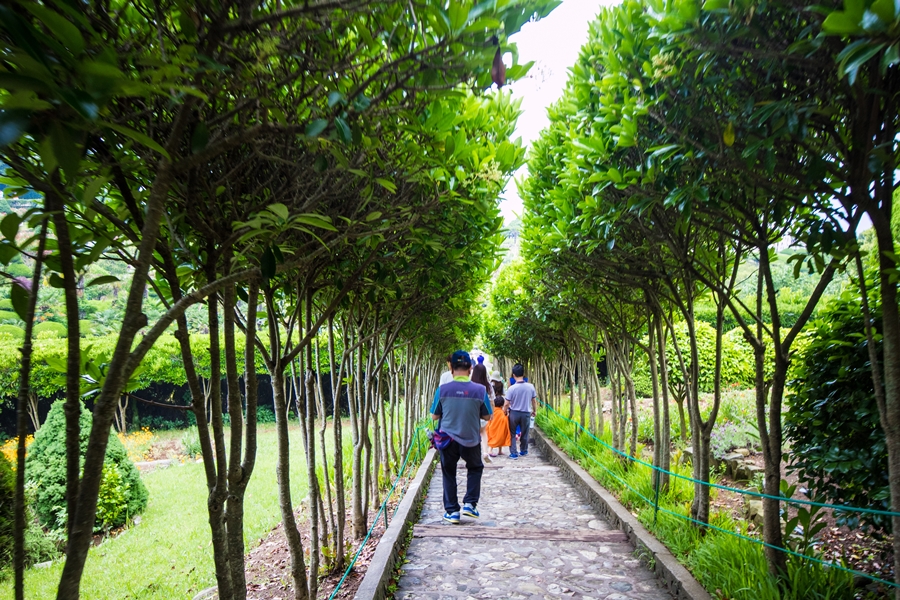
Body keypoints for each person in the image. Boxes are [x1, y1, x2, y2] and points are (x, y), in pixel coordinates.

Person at [431, 350, 491, 524]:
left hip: (448, 438)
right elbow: (487, 416)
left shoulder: (442, 389)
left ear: (452, 368)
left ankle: (452, 512)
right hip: (471, 438)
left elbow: (434, 416)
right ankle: (470, 504)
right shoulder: (480, 390)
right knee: (475, 467)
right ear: (470, 369)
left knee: (448, 472)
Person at [504, 363, 537, 459]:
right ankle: (523, 450)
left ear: (513, 375)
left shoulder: (511, 388)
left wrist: (504, 411)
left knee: (512, 433)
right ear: (524, 374)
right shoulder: (531, 387)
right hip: (526, 413)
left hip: (514, 413)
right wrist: (534, 411)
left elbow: (506, 403)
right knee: (525, 433)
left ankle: (513, 453)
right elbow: (534, 400)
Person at [470, 363, 495, 463]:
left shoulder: (470, 385)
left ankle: (472, 453)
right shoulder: (488, 386)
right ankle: (485, 452)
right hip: (484, 414)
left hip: (472, 413)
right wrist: (491, 413)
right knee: (483, 432)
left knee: (473, 433)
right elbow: (492, 401)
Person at [486, 379, 510, 456]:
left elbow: (489, 420)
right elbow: (505, 420)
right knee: (500, 438)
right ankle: (497, 450)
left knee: (493, 438)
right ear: (502, 405)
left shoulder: (493, 411)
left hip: (492, 429)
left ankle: (491, 450)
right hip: (499, 430)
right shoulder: (502, 413)